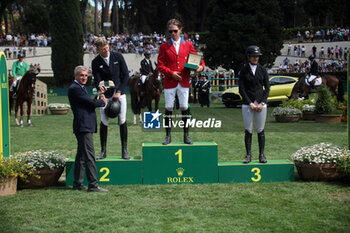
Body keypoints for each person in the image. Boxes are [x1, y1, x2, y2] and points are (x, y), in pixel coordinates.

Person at [157, 18, 205, 145]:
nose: (172, 33)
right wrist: (171, 73)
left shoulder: (188, 45)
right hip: (169, 81)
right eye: (170, 31)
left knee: (184, 107)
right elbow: (160, 65)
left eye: (175, 31)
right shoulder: (164, 46)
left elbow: (198, 59)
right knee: (168, 108)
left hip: (184, 81)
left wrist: (201, 66)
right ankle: (167, 136)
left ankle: (186, 135)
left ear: (180, 30)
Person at [68, 66, 108, 192]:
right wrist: (103, 102)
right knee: (89, 156)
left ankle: (78, 184)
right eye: (81, 75)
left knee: (81, 157)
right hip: (83, 126)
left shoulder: (80, 88)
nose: (84, 77)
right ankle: (93, 185)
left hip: (84, 126)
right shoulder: (75, 88)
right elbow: (90, 103)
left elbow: (87, 102)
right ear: (75, 76)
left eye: (86, 75)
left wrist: (98, 95)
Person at [92, 37, 130, 160]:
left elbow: (125, 76)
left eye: (107, 47)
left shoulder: (118, 56)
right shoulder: (96, 62)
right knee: (104, 121)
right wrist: (101, 92)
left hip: (120, 94)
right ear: (97, 49)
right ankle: (103, 151)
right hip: (105, 96)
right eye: (103, 48)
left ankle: (124, 150)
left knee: (122, 120)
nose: (106, 49)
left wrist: (118, 91)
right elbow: (97, 80)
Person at [239, 45, 270, 164]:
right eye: (253, 56)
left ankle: (261, 155)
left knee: (260, 129)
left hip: (261, 103)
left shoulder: (263, 70)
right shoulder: (244, 70)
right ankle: (248, 155)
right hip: (248, 104)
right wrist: (250, 103)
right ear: (249, 57)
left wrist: (262, 102)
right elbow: (241, 89)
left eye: (257, 56)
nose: (255, 58)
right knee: (248, 130)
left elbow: (267, 88)